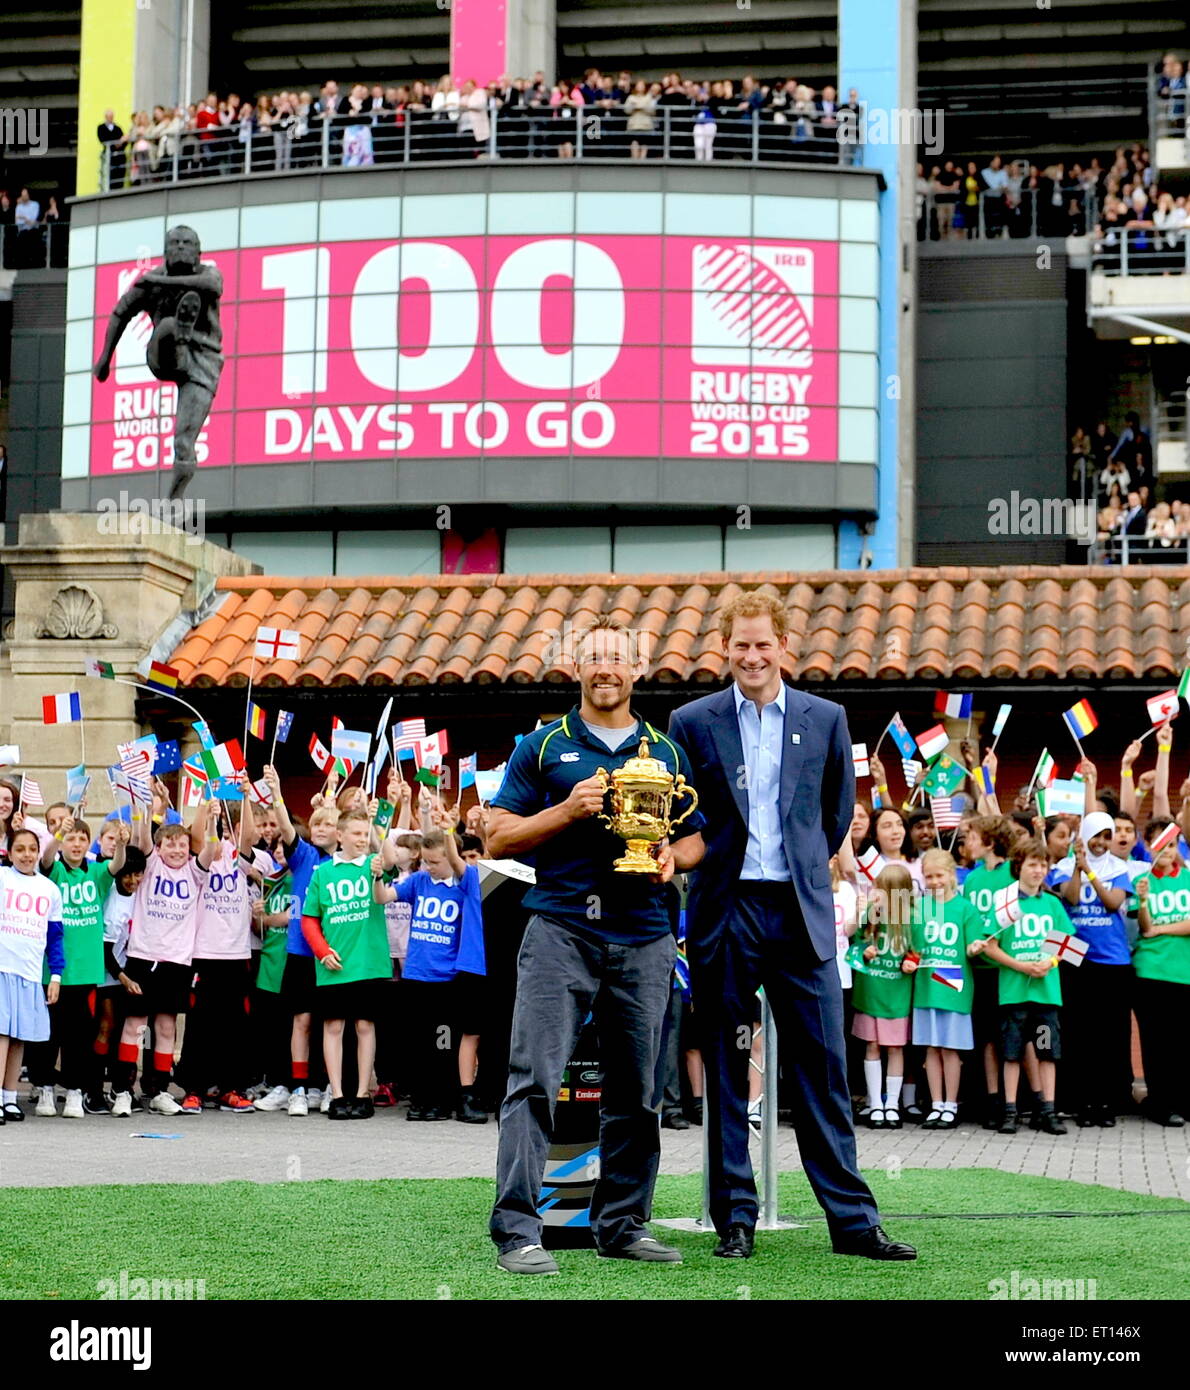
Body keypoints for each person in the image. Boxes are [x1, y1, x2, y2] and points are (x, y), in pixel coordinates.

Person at [669, 591, 914, 1262]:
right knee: (725, 1065)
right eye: (740, 645)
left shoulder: (827, 718)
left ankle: (854, 1223)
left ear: (785, 648)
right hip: (726, 910)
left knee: (824, 1067)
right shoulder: (690, 722)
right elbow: (683, 819)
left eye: (763, 644)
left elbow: (835, 816)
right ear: (727, 650)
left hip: (799, 911)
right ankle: (735, 1220)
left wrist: (803, 866)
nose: (752, 656)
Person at [486, 617, 705, 1274]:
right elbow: (496, 838)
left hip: (645, 934)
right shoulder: (543, 745)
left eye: (619, 658)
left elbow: (701, 834)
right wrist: (566, 812)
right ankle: (518, 1232)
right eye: (596, 658)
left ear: (636, 670)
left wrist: (674, 856)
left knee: (639, 1090)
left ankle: (622, 1223)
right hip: (561, 931)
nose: (607, 668)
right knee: (534, 1082)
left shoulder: (665, 752)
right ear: (577, 668)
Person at [92, 223, 223, 501]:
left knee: (183, 441)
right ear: (165, 251)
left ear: (199, 253)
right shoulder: (149, 282)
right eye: (175, 243)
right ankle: (178, 332)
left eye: (187, 243)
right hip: (163, 355)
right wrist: (106, 357)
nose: (181, 248)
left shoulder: (207, 274)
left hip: (204, 361)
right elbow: (120, 313)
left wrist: (161, 283)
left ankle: (173, 500)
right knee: (165, 327)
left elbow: (212, 286)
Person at [375, 814, 486, 1121]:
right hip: (416, 974)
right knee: (419, 1042)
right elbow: (383, 897)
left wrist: (448, 828)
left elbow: (453, 855)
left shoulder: (464, 883)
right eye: (425, 861)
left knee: (444, 1042)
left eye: (434, 862)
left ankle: (443, 1099)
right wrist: (376, 876)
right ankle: (424, 1099)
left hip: (447, 978)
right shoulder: (419, 881)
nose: (428, 867)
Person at [112, 815, 218, 1116]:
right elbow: (143, 837)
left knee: (167, 1026)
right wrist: (143, 805)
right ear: (158, 849)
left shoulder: (195, 872)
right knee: (135, 1025)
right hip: (144, 957)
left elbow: (210, 851)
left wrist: (210, 822)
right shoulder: (152, 864)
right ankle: (123, 1089)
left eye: (182, 845)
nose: (176, 850)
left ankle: (159, 1090)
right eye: (170, 845)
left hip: (177, 961)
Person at [26, 816, 127, 1118]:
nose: (77, 844)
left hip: (85, 970)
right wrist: (58, 833)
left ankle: (74, 1090)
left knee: (79, 1036)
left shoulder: (96, 873)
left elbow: (117, 865)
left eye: (82, 839)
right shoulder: (54, 871)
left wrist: (121, 843)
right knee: (48, 1034)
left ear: (89, 844)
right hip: (53, 969)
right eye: (71, 839)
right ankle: (44, 1088)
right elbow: (45, 857)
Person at [974, 838, 1070, 1136]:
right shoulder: (1006, 902)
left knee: (1044, 1052)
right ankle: (1010, 1111)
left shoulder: (1052, 904)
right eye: (1032, 864)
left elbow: (1066, 945)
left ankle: (1048, 1111)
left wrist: (1049, 964)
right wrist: (1020, 966)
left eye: (1043, 865)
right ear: (1019, 866)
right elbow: (990, 945)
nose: (1038, 870)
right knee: (1012, 1053)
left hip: (1044, 995)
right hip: (1015, 994)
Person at [300, 808, 390, 1119]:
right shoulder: (323, 873)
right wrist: (322, 950)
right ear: (340, 836)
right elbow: (310, 918)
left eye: (366, 834)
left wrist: (378, 833)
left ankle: (363, 1093)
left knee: (365, 1025)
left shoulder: (373, 865)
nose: (363, 839)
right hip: (333, 965)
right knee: (334, 1026)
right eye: (357, 833)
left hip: (368, 963)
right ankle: (337, 1094)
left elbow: (389, 861)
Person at [1050, 805, 1132, 1126]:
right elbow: (1069, 899)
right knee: (1078, 1034)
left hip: (1111, 961)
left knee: (1107, 1037)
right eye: (1095, 835)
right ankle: (1082, 1103)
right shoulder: (1063, 866)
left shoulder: (1119, 868)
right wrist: (1078, 869)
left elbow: (1113, 903)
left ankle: (1105, 1104)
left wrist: (1092, 872)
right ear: (1083, 837)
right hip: (1074, 958)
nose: (1101, 841)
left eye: (1106, 836)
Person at [911, 848, 984, 1127]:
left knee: (950, 1049)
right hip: (926, 986)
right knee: (931, 1048)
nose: (934, 882)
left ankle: (951, 1105)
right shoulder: (919, 907)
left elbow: (972, 944)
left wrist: (975, 947)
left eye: (939, 875)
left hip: (954, 985)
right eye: (928, 877)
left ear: (952, 875)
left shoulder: (965, 908)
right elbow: (914, 947)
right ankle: (936, 1103)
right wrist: (909, 959)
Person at [0, 829, 65, 1127]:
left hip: (28, 972)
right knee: (1, 1033)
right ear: (10, 852)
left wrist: (55, 975)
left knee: (19, 1037)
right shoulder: (2, 878)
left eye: (31, 849)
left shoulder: (49, 889)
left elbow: (55, 937)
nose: (26, 855)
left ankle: (10, 1096)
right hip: (3, 967)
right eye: (20, 849)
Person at [1132, 824, 1190, 1126]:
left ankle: (1182, 1099)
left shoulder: (1188, 878)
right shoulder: (1141, 881)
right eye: (1162, 846)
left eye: (1172, 845)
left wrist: (1161, 929)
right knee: (1157, 1042)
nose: (1168, 852)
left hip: (1185, 971)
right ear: (1151, 849)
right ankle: (1161, 1103)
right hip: (1151, 972)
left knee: (1182, 1041)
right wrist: (1142, 901)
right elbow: (1144, 927)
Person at [852, 864, 917, 1129]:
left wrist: (911, 961)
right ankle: (875, 1103)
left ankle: (892, 1104)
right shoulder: (871, 915)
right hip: (871, 991)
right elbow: (855, 944)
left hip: (896, 994)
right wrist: (864, 951)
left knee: (895, 1048)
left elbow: (918, 950)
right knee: (872, 1046)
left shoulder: (912, 917)